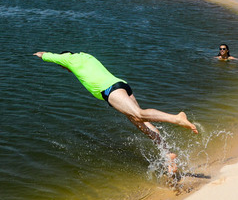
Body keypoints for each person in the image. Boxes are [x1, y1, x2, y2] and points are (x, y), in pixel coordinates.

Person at [32, 51, 198, 144]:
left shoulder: (69, 59)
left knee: (139, 114)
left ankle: (177, 118)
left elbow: (49, 56)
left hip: (110, 90)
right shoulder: (87, 56)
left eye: (65, 67)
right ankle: (166, 152)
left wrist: (39, 55)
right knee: (137, 120)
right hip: (121, 84)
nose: (66, 69)